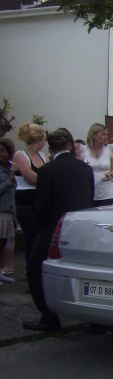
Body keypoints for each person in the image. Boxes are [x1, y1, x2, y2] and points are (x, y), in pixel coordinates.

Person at [22, 128, 95, 331]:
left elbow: (43, 206)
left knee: (34, 268)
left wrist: (44, 225)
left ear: (50, 147)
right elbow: (90, 199)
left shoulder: (48, 170)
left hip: (55, 226)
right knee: (85, 271)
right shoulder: (86, 169)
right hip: (82, 226)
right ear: (70, 145)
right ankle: (95, 318)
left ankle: (49, 317)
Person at [12, 122, 48, 267]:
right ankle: (30, 273)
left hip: (41, 203)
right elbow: (32, 178)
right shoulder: (20, 156)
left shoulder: (43, 156)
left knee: (41, 240)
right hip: (26, 205)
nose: (45, 142)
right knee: (31, 240)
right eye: (44, 139)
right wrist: (47, 181)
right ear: (38, 140)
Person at [82, 123, 113, 206]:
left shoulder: (109, 148)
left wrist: (111, 174)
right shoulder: (83, 149)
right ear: (94, 135)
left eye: (106, 134)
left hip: (108, 193)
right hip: (90, 191)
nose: (106, 137)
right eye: (103, 134)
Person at [0, 137, 16, 286]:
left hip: (8, 210)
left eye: (3, 151)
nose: (1, 154)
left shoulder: (9, 167)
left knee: (5, 243)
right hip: (0, 210)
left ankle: (1, 272)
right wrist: (8, 183)